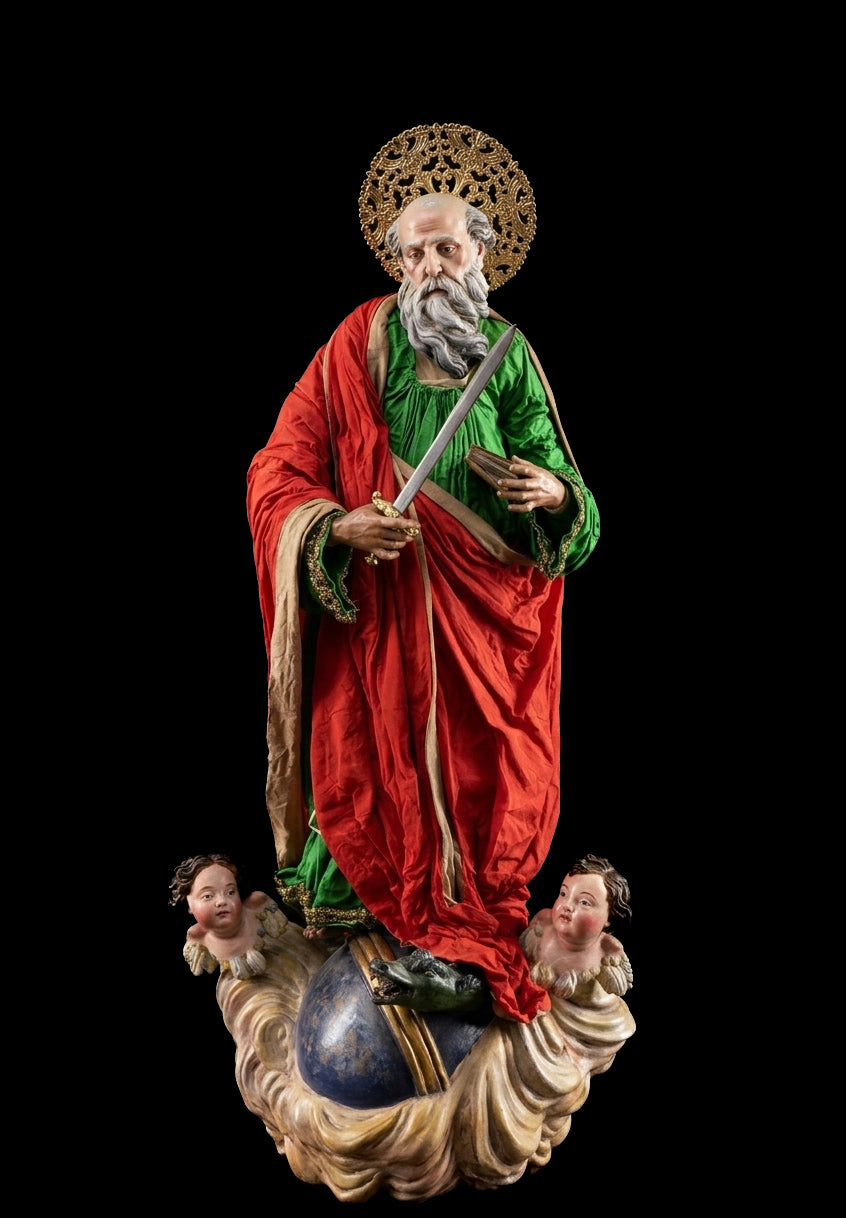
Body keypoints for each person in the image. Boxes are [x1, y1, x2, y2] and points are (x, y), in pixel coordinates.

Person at [247, 145, 600, 1023]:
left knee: (487, 774)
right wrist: (336, 527)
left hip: (487, 612)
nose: (431, 266)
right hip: (384, 605)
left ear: (481, 252)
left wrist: (553, 494)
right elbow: (278, 467)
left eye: (447, 248)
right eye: (414, 253)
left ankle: (463, 938)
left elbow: (572, 496)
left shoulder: (508, 355)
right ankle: (373, 919)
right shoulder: (356, 343)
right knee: (369, 757)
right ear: (396, 262)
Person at [520, 854, 633, 1001]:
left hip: (578, 1011)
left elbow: (618, 988)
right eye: (563, 894)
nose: (567, 905)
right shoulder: (543, 920)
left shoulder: (606, 948)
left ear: (609, 917)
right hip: (530, 997)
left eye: (584, 902)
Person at [169, 853, 287, 979]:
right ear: (189, 905)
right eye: (208, 896)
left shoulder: (256, 905)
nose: (222, 901)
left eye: (230, 892)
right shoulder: (197, 937)